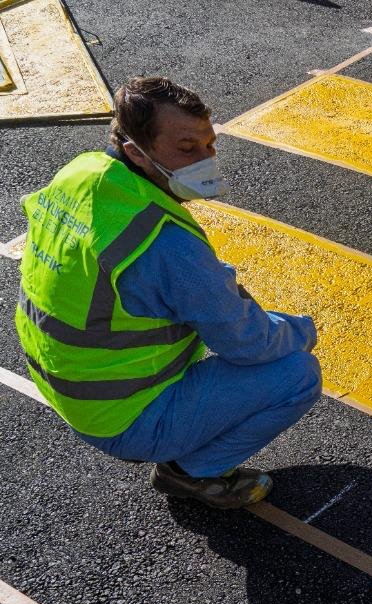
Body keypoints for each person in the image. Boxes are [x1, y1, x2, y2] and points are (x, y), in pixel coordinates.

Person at [13, 76, 320, 508]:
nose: (207, 160)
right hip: (124, 415)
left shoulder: (83, 174)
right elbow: (248, 343)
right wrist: (302, 331)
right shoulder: (166, 244)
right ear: (137, 153)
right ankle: (190, 472)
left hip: (66, 382)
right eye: (187, 149)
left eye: (209, 144)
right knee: (297, 372)